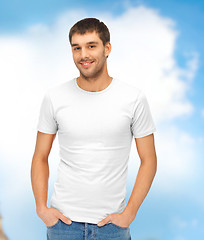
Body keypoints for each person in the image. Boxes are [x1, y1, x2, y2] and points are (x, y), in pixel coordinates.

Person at [30, 18, 157, 240]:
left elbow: (149, 159)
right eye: (76, 48)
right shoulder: (54, 97)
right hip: (63, 225)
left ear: (107, 48)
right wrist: (42, 208)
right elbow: (40, 155)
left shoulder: (133, 98)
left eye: (91, 46)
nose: (83, 55)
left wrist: (129, 213)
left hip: (112, 226)